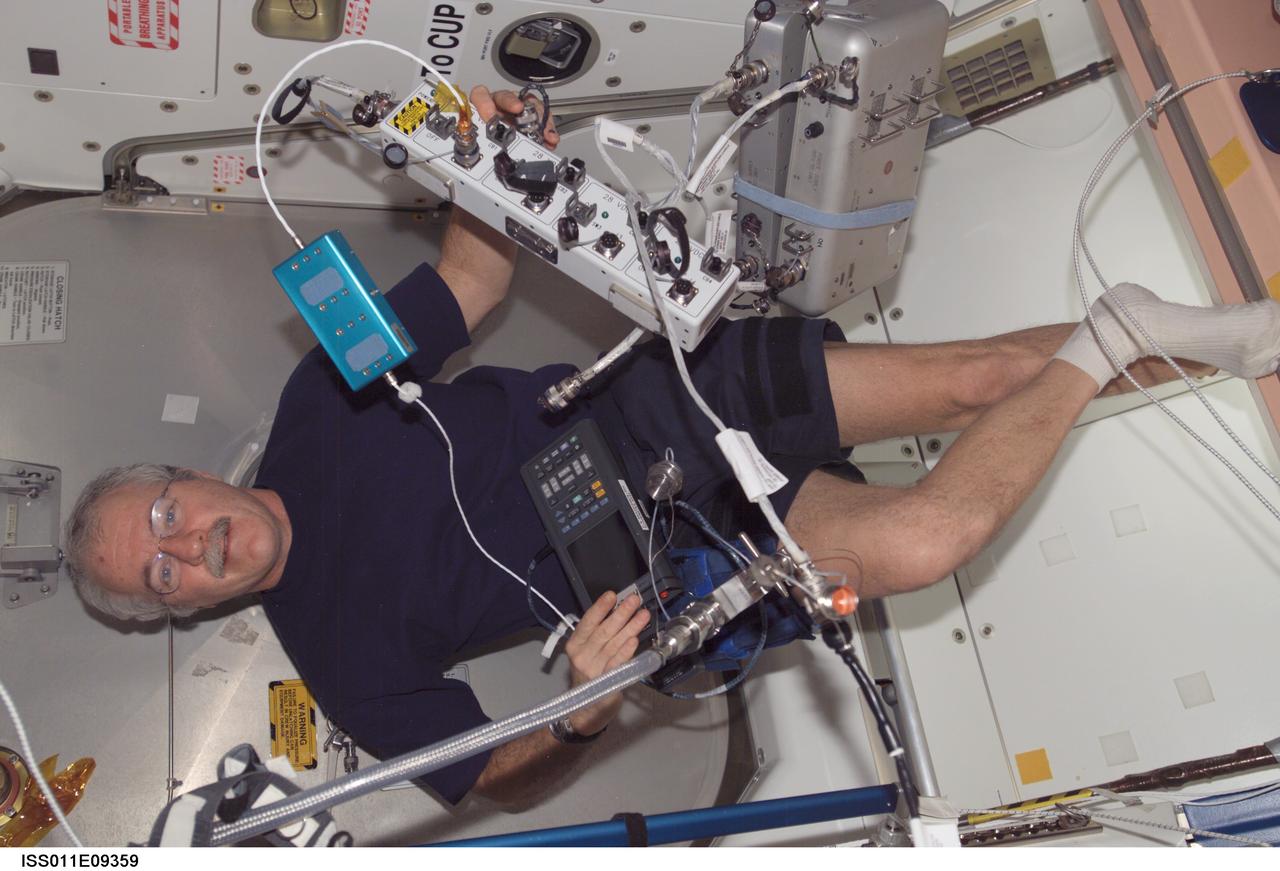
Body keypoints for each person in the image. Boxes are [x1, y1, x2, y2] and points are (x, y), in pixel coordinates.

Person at [63, 87, 1280, 807]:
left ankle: (1196, 340)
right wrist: (585, 707)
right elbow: (488, 779)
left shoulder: (318, 399)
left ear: (187, 479)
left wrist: (485, 158)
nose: (187, 548)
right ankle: (1122, 328)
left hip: (664, 404)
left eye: (164, 518)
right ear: (178, 611)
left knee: (979, 380)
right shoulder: (338, 664)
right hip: (682, 557)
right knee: (921, 543)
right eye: (159, 576)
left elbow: (469, 284)